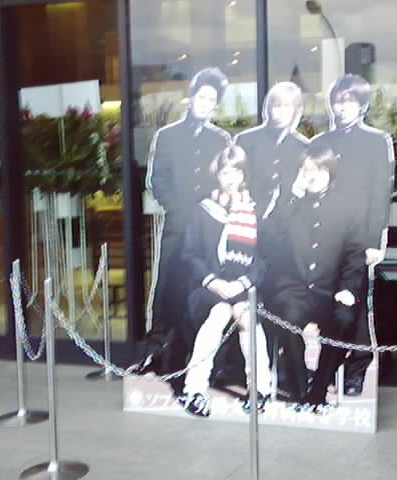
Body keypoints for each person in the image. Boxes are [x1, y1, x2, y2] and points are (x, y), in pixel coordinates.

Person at [134, 68, 231, 398]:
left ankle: (195, 357)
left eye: (211, 99)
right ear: (192, 98)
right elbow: (156, 180)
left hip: (209, 230)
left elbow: (225, 180)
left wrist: (210, 211)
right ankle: (155, 351)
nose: (205, 103)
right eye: (201, 97)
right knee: (167, 287)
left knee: (199, 290)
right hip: (177, 226)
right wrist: (177, 208)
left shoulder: (221, 140)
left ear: (216, 105)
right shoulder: (167, 135)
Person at [262, 144, 365, 412]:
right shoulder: (289, 203)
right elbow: (269, 239)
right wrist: (293, 195)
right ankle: (299, 391)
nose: (312, 175)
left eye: (319, 169)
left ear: (330, 171)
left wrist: (348, 289)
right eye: (307, 169)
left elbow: (355, 255)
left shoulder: (347, 207)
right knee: (286, 319)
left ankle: (318, 389)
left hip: (330, 291)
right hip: (293, 290)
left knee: (344, 320)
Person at [310, 74, 394, 396]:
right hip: (325, 235)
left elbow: (380, 195)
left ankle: (356, 369)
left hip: (358, 237)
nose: (342, 107)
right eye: (338, 100)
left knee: (356, 307)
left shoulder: (377, 141)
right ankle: (326, 367)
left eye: (349, 101)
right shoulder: (321, 142)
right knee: (329, 303)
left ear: (362, 105)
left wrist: (374, 242)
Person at [180, 145, 271, 417]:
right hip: (207, 288)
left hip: (243, 286)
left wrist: (241, 284)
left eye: (236, 172)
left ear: (244, 175)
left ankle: (259, 390)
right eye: (225, 172)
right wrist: (213, 282)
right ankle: (194, 390)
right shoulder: (202, 210)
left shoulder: (254, 210)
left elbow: (262, 260)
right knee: (220, 312)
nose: (231, 178)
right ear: (216, 174)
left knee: (245, 315)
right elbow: (190, 254)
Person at [235, 81, 309, 218]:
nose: (281, 112)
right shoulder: (245, 140)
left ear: (296, 110)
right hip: (249, 217)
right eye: (277, 106)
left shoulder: (303, 147)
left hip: (288, 219)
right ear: (268, 108)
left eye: (287, 106)